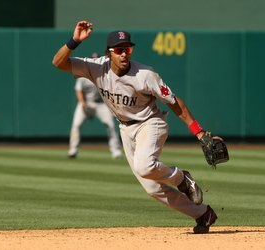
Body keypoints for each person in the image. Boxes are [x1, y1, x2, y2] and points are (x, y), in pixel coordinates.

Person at [52, 20, 225, 234]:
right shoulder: (95, 67)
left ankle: (182, 178)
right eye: (119, 50)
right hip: (126, 129)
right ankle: (202, 214)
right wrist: (74, 41)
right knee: (152, 187)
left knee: (145, 166)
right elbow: (58, 62)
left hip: (150, 123)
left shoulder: (145, 75)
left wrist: (198, 132)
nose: (124, 54)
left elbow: (174, 102)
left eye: (128, 49)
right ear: (109, 53)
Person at [68, 52, 123, 159]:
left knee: (110, 125)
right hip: (86, 103)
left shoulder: (105, 75)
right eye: (93, 60)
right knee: (76, 125)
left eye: (96, 60)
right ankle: (73, 149)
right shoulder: (83, 74)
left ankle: (115, 150)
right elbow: (78, 90)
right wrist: (82, 102)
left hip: (101, 104)